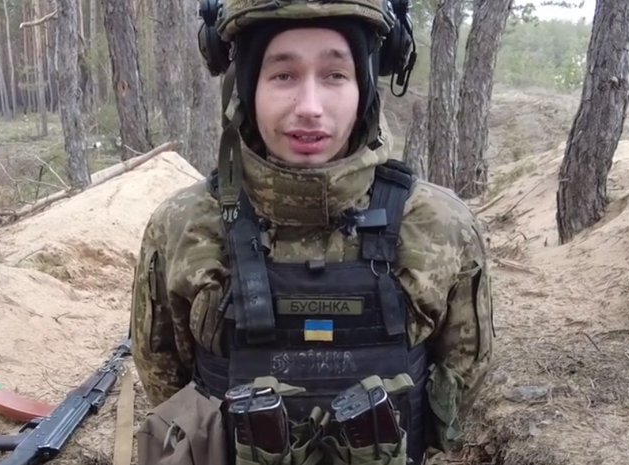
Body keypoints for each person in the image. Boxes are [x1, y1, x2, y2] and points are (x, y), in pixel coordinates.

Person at [130, 0, 494, 462]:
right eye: (283, 75)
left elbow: (457, 388)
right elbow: (166, 383)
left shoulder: (440, 225)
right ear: (246, 85)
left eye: (335, 75)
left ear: (364, 84)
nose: (309, 107)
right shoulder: (183, 225)